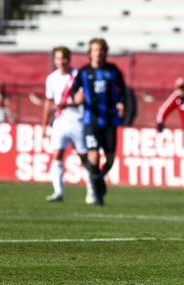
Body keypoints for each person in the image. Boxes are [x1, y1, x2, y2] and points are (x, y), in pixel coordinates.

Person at [69, 38, 126, 206]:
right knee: (93, 156)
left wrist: (121, 101)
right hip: (91, 120)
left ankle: (99, 178)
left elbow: (123, 89)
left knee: (109, 160)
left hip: (109, 120)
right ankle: (97, 193)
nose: (98, 53)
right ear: (90, 53)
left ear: (105, 52)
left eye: (101, 49)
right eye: (95, 49)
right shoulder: (84, 72)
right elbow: (74, 90)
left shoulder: (113, 70)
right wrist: (76, 97)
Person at [41, 46, 95, 203]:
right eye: (58, 58)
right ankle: (58, 191)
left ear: (69, 59)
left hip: (77, 121)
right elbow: (48, 102)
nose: (61, 62)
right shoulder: (51, 78)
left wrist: (66, 104)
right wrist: (44, 124)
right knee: (56, 154)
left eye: (64, 58)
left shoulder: (77, 76)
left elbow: (81, 99)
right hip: (59, 121)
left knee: (83, 156)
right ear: (54, 60)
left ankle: (91, 189)